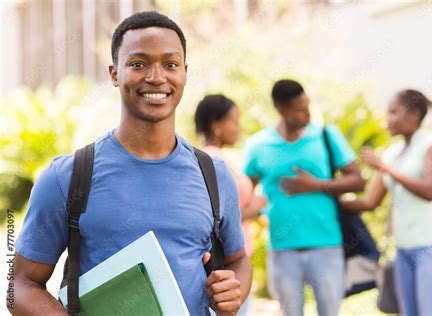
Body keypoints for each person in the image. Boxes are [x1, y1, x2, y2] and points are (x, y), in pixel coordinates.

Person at [11, 11, 252, 315]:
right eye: (138, 64)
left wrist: (234, 289)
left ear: (185, 73)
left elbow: (237, 260)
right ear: (114, 74)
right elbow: (19, 285)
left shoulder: (213, 175)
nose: (156, 77)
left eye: (170, 64)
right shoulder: (68, 177)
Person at [243, 79, 366, 316]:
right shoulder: (258, 145)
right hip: (282, 248)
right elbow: (243, 189)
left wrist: (318, 185)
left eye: (307, 107)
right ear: (281, 109)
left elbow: (358, 180)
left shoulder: (325, 136)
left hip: (326, 245)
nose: (307, 115)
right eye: (300, 110)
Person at [339, 89, 432, 316]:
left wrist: (384, 167)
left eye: (393, 113)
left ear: (412, 114)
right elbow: (369, 202)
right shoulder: (393, 152)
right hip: (403, 250)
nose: (387, 121)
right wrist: (330, 197)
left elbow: (429, 190)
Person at [194, 94, 268, 315]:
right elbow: (222, 215)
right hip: (225, 267)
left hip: (235, 260)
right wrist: (256, 208)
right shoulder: (215, 162)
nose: (238, 128)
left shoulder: (214, 158)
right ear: (216, 126)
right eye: (234, 121)